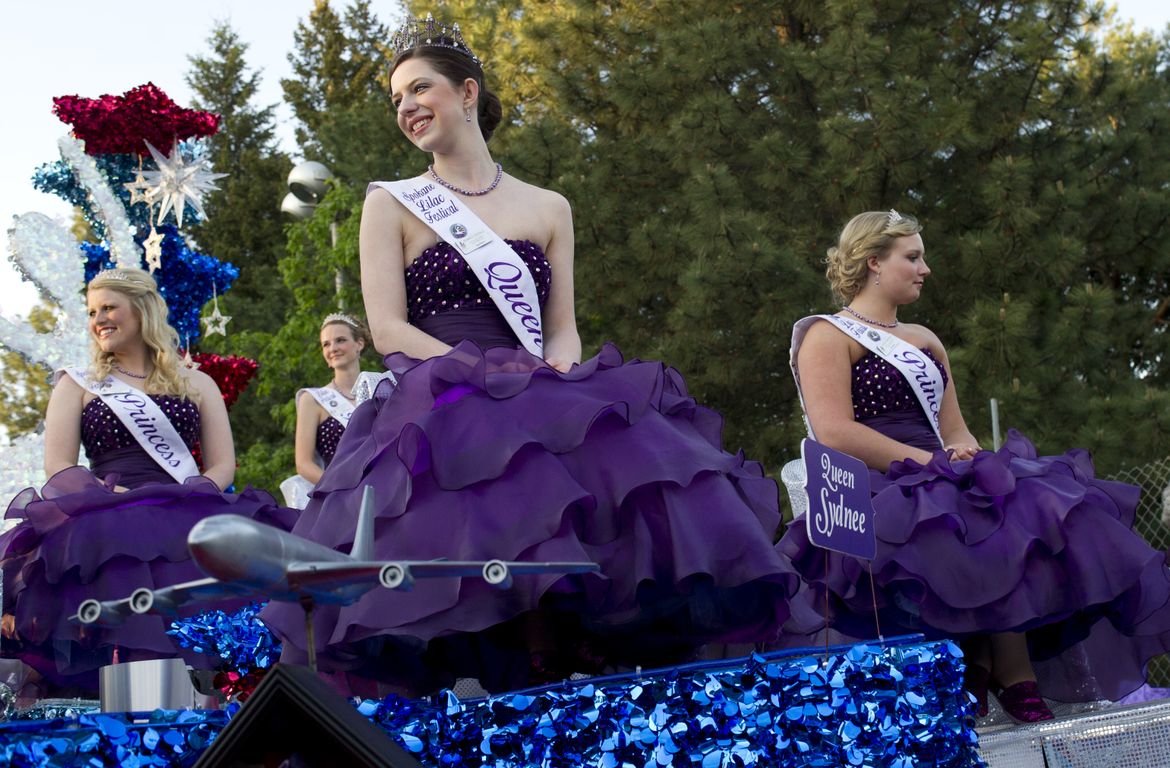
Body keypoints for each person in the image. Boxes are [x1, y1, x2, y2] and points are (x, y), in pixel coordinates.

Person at [260, 15, 806, 695]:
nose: (405, 107)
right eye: (396, 99)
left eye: (419, 88)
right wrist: (484, 373)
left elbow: (563, 328)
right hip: (444, 397)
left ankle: (575, 677)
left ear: (467, 92)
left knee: (638, 483)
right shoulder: (391, 204)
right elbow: (389, 329)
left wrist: (555, 372)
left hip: (541, 391)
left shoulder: (548, 206)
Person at [779, 210, 1170, 721]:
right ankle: (976, 661)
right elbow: (836, 432)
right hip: (876, 481)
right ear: (874, 262)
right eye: (913, 257)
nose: (926, 268)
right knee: (947, 526)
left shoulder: (925, 338)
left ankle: (1010, 667)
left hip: (937, 468)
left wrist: (966, 454)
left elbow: (956, 426)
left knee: (1028, 505)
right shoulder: (828, 336)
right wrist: (928, 462)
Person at [0, 267, 294, 692]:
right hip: (107, 516)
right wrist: (114, 495)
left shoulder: (197, 382)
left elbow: (222, 466)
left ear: (141, 310)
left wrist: (193, 495)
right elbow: (60, 469)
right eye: (92, 311)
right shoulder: (78, 384)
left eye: (109, 307)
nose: (98, 318)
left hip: (187, 510)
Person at [279, 313, 368, 509]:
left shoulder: (378, 390)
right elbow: (304, 464)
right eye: (326, 344)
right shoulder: (313, 400)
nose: (333, 348)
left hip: (381, 489)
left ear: (359, 344)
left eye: (340, 340)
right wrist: (341, 489)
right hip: (337, 498)